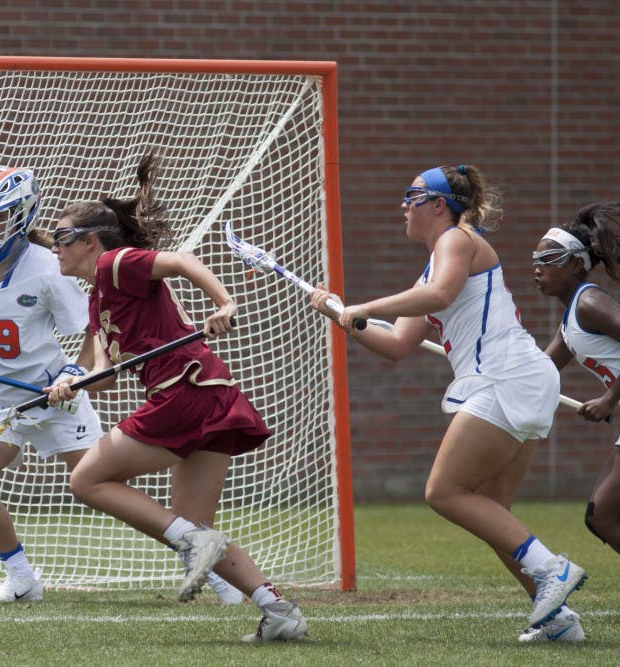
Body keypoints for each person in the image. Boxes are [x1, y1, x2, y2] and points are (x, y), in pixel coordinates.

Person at [0, 168, 242, 604]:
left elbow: (91, 329)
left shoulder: (48, 266)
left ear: (21, 215)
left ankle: (209, 565)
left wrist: (73, 374)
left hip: (56, 396)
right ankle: (22, 577)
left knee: (101, 487)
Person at [309, 165, 588, 641]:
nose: (403, 205)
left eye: (411, 196)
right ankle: (559, 622)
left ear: (439, 204)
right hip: (519, 377)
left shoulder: (457, 240)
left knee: (443, 492)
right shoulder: (435, 264)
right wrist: (342, 316)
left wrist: (366, 306)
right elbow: (398, 344)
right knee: (492, 508)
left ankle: (552, 571)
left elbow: (437, 295)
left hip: (503, 375)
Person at [46, 154, 308, 642]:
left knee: (86, 480)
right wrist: (68, 385)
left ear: (89, 241)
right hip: (208, 394)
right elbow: (103, 375)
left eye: (61, 239)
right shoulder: (98, 298)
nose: (55, 250)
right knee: (193, 525)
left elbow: (183, 261)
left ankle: (196, 543)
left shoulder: (115, 262)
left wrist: (224, 302)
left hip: (183, 392)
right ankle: (279, 611)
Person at [534, 203, 620, 561]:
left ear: (575, 264)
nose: (538, 268)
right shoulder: (571, 319)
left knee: (602, 515)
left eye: (549, 259)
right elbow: (539, 369)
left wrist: (609, 399)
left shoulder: (590, 302)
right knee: (602, 516)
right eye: (535, 259)